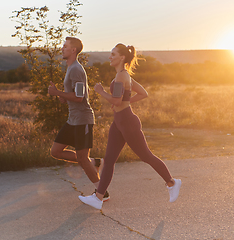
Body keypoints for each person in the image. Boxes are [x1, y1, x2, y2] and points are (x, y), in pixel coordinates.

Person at [78, 43, 181, 210]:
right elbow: (142, 94)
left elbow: (116, 101)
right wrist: (124, 102)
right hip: (119, 121)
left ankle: (172, 182)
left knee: (146, 156)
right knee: (109, 160)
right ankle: (98, 197)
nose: (109, 57)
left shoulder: (121, 77)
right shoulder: (125, 76)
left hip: (127, 122)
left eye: (113, 54)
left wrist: (100, 91)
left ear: (122, 57)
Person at [48, 36, 109, 201]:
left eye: (65, 46)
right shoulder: (70, 68)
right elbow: (74, 94)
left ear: (73, 50)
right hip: (72, 120)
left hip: (82, 120)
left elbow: (80, 97)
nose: (62, 48)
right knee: (56, 152)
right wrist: (63, 96)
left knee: (81, 158)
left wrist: (58, 93)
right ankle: (94, 162)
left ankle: (101, 193)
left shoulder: (76, 69)